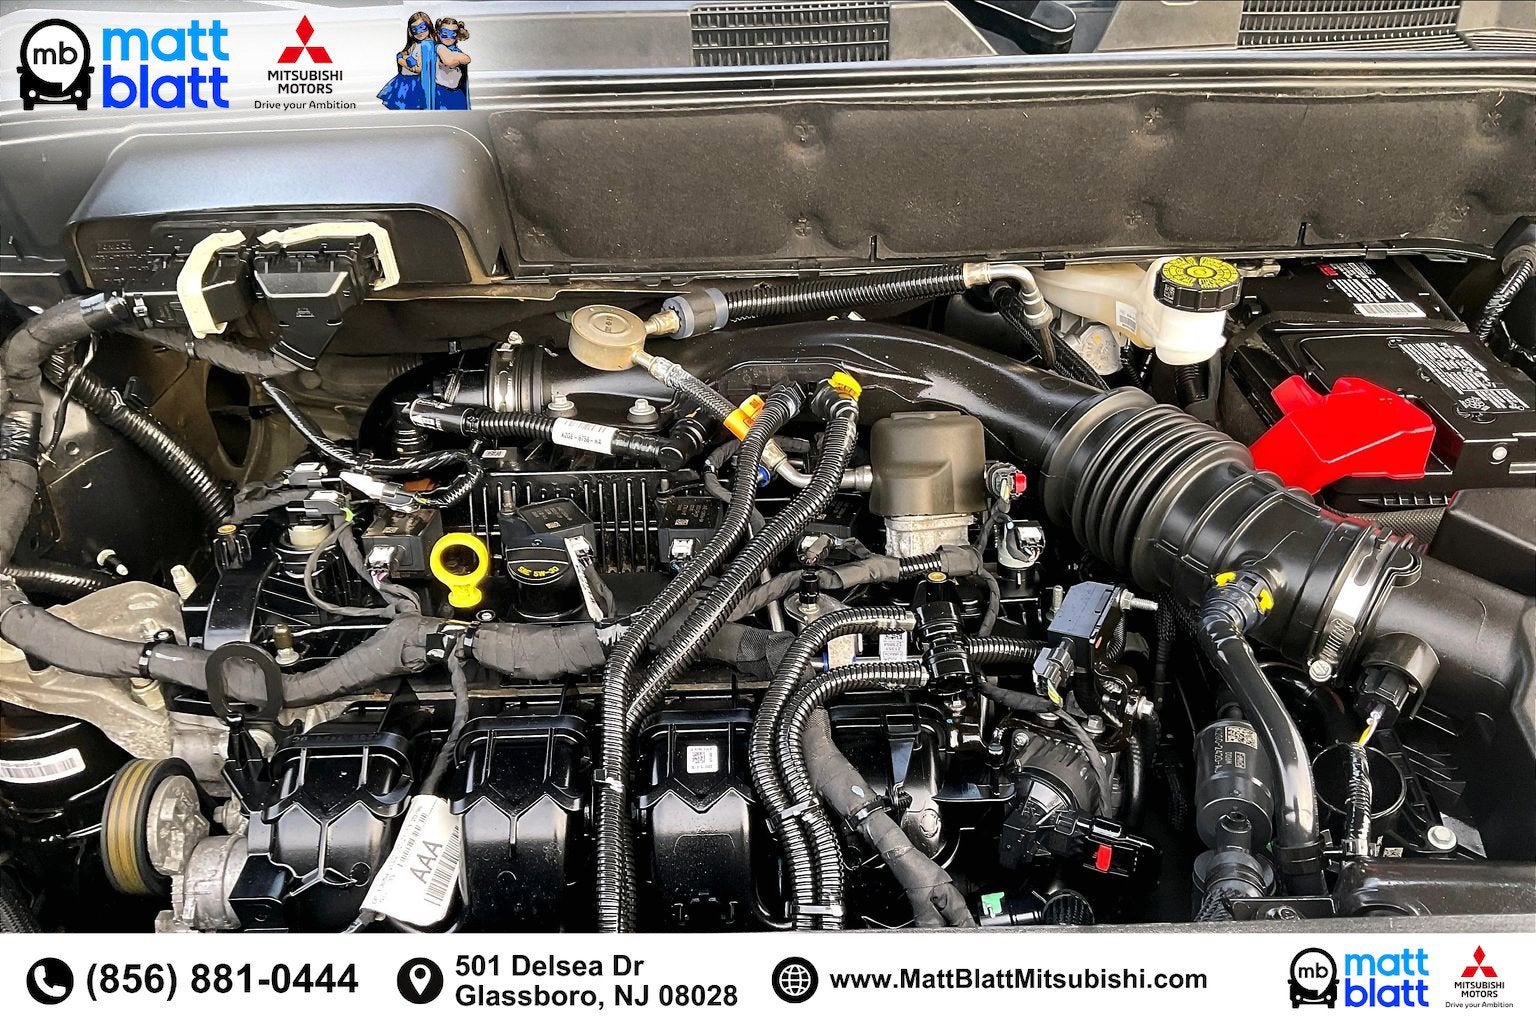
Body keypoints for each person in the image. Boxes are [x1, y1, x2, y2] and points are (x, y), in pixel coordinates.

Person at [377, 11, 437, 110]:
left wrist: (402, 60)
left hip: (413, 84)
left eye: (422, 27)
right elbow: (404, 54)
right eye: (414, 29)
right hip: (403, 81)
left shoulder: (426, 46)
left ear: (428, 26)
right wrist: (405, 58)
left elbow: (418, 69)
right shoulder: (415, 44)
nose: (419, 32)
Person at [433, 17, 471, 110]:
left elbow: (467, 59)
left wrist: (454, 57)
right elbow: (450, 62)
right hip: (441, 91)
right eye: (445, 33)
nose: (448, 37)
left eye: (453, 34)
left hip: (456, 90)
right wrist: (456, 58)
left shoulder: (455, 50)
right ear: (438, 33)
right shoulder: (439, 47)